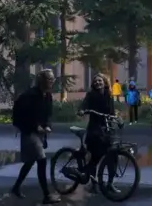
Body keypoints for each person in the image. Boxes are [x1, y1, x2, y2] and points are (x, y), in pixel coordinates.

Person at [10, 69, 59, 204]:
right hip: (29, 133)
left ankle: (16, 187)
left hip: (40, 134)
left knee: (30, 161)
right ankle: (46, 195)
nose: (52, 81)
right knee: (41, 160)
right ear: (42, 80)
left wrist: (47, 125)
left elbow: (48, 114)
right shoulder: (29, 95)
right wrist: (34, 126)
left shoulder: (48, 96)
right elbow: (21, 115)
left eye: (52, 79)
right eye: (49, 79)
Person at [66, 73, 115, 187]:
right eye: (95, 81)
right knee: (96, 156)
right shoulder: (91, 95)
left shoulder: (109, 95)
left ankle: (110, 183)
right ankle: (93, 183)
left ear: (104, 82)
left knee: (113, 156)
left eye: (100, 81)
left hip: (106, 128)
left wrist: (114, 117)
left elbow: (111, 111)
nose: (98, 83)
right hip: (95, 128)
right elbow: (84, 104)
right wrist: (82, 110)